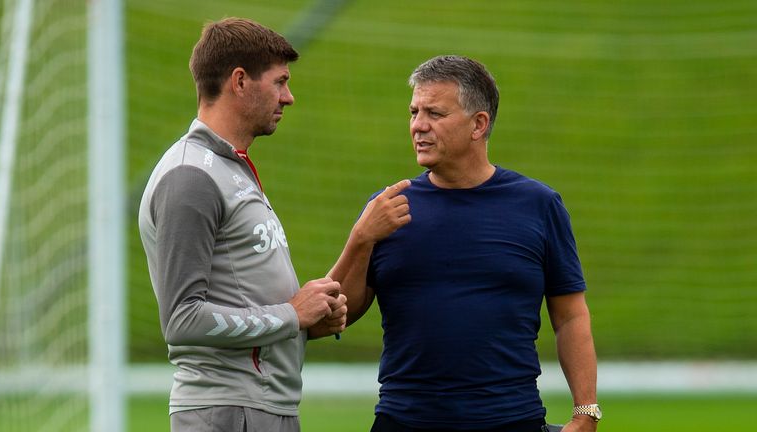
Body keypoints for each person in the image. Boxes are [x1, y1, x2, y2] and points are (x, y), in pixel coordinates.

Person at [329, 55, 600, 432]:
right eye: (414, 112)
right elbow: (336, 314)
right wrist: (360, 239)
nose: (418, 126)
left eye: (435, 114)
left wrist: (586, 412)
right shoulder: (387, 208)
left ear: (479, 124)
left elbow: (570, 315)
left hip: (511, 420)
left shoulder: (538, 205)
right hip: (404, 421)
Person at [137, 17, 365, 432]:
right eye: (279, 82)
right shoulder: (191, 177)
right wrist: (292, 315)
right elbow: (182, 320)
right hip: (227, 410)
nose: (289, 97)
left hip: (258, 408)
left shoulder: (231, 168)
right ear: (239, 81)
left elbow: (242, 297)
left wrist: (304, 322)